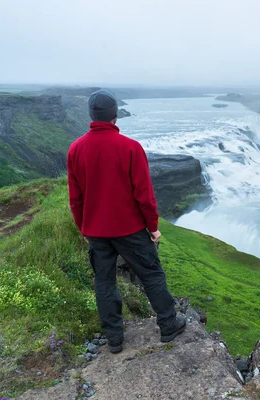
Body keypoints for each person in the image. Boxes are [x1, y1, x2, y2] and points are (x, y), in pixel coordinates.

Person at [67, 89, 186, 354]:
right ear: (115, 115)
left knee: (104, 281)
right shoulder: (130, 148)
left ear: (91, 115)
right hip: (130, 229)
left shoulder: (76, 150)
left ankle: (114, 339)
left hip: (96, 231)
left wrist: (83, 228)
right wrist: (153, 227)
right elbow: (144, 195)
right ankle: (168, 325)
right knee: (151, 274)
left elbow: (76, 198)